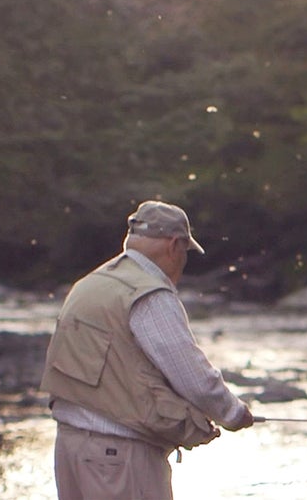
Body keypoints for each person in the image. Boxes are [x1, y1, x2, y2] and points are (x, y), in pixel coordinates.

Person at [40, 200, 255, 500]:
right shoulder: (150, 294)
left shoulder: (90, 284)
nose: (183, 260)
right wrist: (233, 414)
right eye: (185, 252)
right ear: (174, 245)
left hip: (70, 447)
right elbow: (191, 374)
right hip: (119, 456)